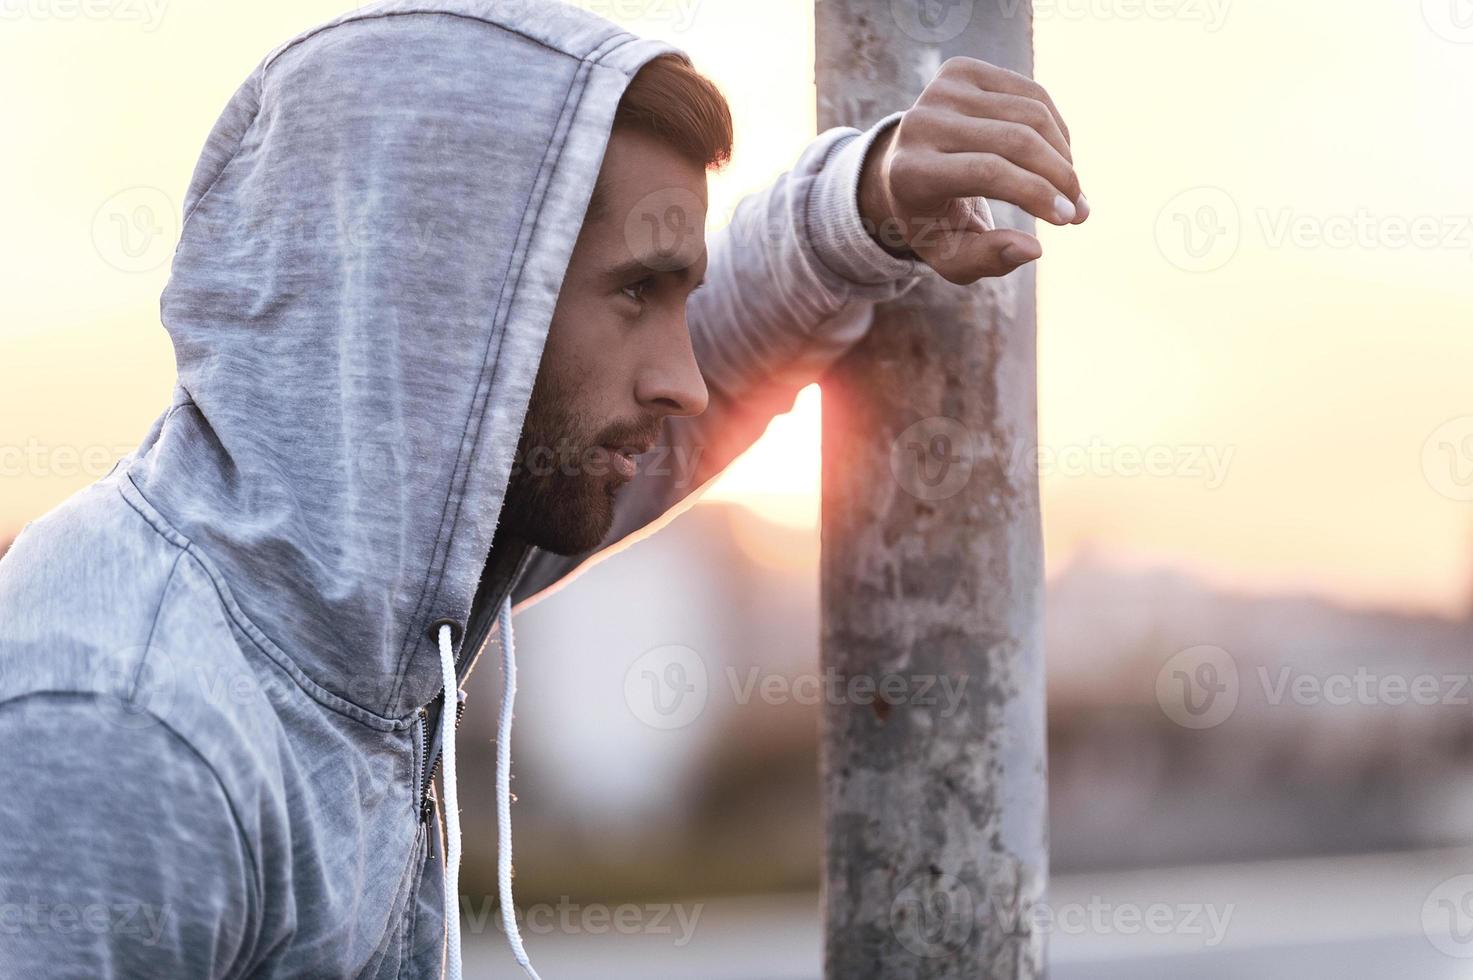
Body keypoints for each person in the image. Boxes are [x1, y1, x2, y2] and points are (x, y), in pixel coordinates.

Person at [0, 1, 1086, 977]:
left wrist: (870, 196)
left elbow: (725, 335)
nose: (682, 379)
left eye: (677, 299)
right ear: (451, 307)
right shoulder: (124, 732)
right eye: (636, 294)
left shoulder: (366, 579)